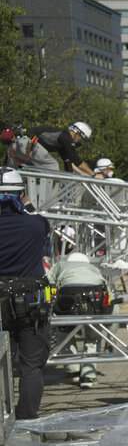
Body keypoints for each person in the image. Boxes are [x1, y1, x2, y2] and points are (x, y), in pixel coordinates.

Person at [0, 169, 53, 418]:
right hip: (32, 303)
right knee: (31, 365)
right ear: (21, 194)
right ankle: (26, 418)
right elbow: (41, 221)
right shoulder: (35, 224)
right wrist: (26, 203)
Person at [48, 252, 112, 389]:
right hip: (93, 298)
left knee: (65, 331)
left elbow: (48, 281)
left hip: (67, 298)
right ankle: (88, 375)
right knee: (93, 334)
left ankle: (73, 371)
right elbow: (105, 287)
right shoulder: (93, 268)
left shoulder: (60, 265)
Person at [8, 122, 95, 176]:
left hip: (16, 146)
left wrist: (80, 175)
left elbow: (68, 162)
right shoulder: (66, 137)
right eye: (81, 139)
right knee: (53, 166)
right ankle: (49, 199)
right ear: (77, 134)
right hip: (27, 144)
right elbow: (77, 161)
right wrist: (93, 174)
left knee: (16, 175)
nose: (79, 141)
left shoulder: (62, 140)